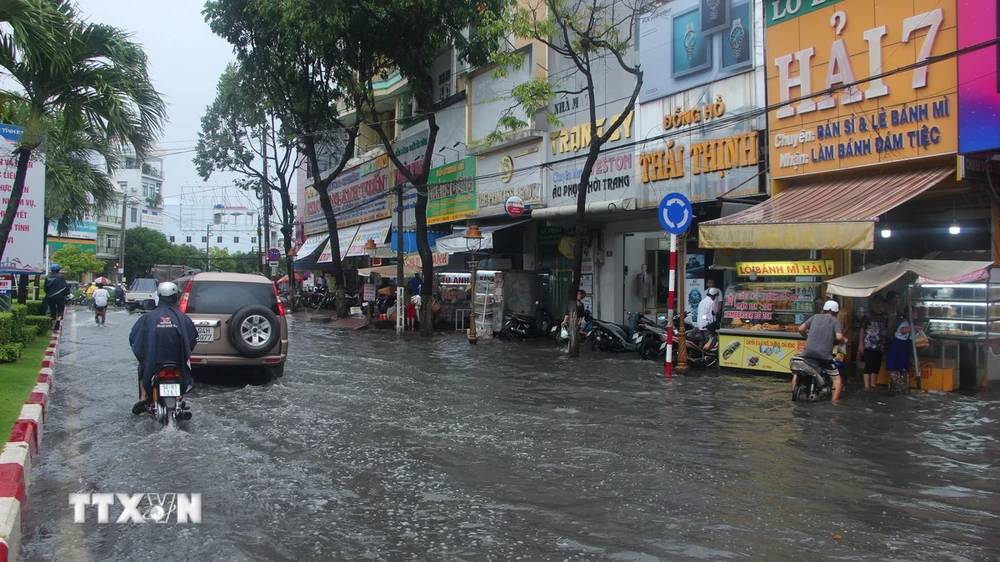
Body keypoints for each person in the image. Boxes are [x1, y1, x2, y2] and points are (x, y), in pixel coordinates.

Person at [128, 282, 197, 418]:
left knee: (142, 367)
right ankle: (179, 398)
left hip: (153, 362)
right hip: (177, 362)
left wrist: (146, 354)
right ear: (175, 297)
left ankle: (143, 398)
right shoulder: (183, 318)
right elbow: (192, 339)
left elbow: (134, 339)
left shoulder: (147, 318)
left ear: (159, 296)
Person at [796, 300, 848, 402]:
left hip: (808, 353)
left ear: (823, 309)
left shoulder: (815, 317)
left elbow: (800, 329)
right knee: (837, 380)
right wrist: (844, 340)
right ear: (836, 312)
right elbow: (839, 336)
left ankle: (794, 392)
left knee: (798, 374)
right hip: (824, 355)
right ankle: (834, 403)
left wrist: (807, 337)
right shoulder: (834, 321)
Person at [858, 294, 888, 391]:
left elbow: (886, 330)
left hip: (880, 345)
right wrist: (861, 344)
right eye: (875, 303)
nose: (877, 305)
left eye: (879, 303)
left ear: (883, 304)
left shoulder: (884, 316)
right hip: (868, 345)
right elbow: (862, 329)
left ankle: (873, 384)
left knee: (877, 365)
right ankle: (867, 386)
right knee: (869, 364)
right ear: (872, 304)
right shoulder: (867, 316)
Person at [886, 307, 917, 396]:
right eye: (914, 313)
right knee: (895, 369)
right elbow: (903, 330)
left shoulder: (909, 323)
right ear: (909, 314)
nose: (916, 315)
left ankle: (901, 390)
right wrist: (914, 327)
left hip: (902, 348)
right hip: (897, 348)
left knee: (903, 370)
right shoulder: (904, 323)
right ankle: (894, 390)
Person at [43, 264, 68, 330]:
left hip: (50, 296)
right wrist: (65, 294)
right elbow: (65, 287)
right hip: (59, 296)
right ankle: (59, 319)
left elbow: (45, 288)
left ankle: (53, 325)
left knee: (52, 310)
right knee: (60, 309)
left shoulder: (47, 277)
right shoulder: (60, 277)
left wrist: (48, 294)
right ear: (58, 270)